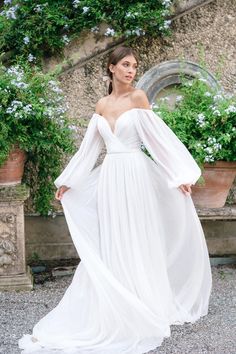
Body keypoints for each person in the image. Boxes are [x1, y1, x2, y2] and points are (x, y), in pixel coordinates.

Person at [19, 46, 212, 354]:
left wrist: (179, 174)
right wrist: (67, 181)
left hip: (135, 175)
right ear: (111, 68)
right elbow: (89, 150)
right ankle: (117, 301)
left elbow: (158, 140)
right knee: (113, 238)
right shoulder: (101, 104)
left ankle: (145, 301)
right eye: (125, 64)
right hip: (110, 177)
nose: (131, 70)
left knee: (138, 236)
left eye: (134, 65)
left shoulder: (138, 98)